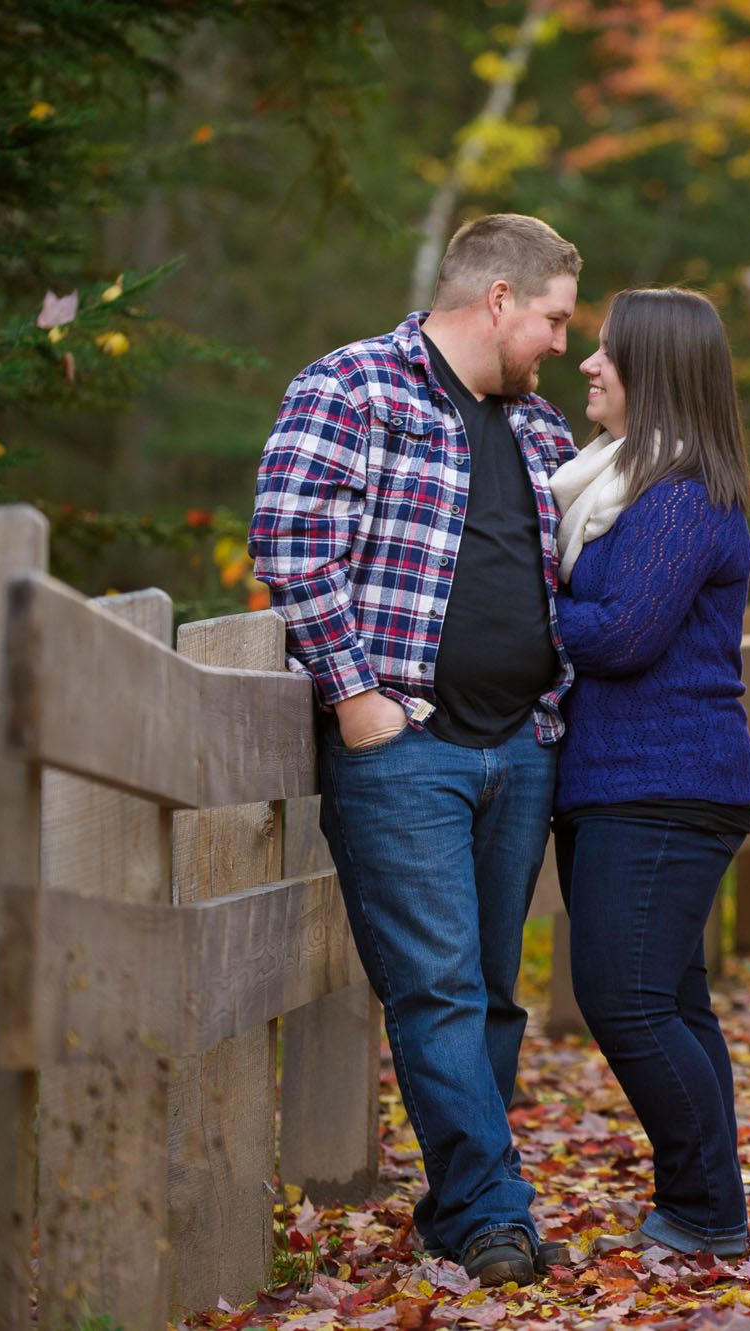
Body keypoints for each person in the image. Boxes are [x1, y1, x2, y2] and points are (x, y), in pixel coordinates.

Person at [249, 213, 581, 1285]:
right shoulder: (352, 386)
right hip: (406, 746)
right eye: (553, 318)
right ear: (497, 300)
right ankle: (494, 1212)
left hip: (520, 744)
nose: (561, 344)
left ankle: (455, 1206)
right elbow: (291, 536)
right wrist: (349, 693)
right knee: (435, 986)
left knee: (489, 990)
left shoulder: (539, 432)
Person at [547, 287, 750, 1258]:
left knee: (623, 996)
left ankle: (706, 1209)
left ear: (655, 374)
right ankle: (703, 1204)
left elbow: (625, 634)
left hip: (665, 784)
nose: (587, 366)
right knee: (670, 999)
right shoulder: (617, 486)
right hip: (622, 781)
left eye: (606, 354)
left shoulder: (681, 498)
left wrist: (516, 623)